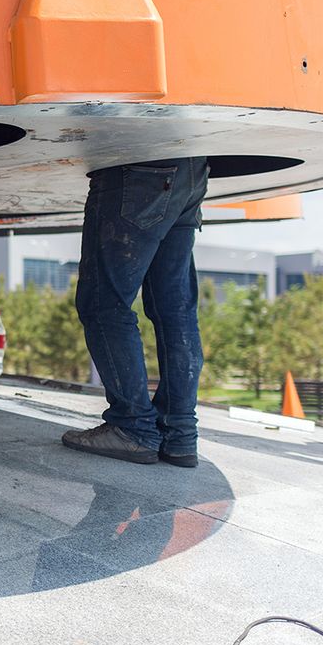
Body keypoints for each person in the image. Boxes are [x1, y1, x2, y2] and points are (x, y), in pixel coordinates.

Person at [61, 158, 210, 467]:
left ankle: (133, 427)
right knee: (175, 309)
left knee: (104, 304)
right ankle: (179, 434)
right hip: (190, 171)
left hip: (139, 165)